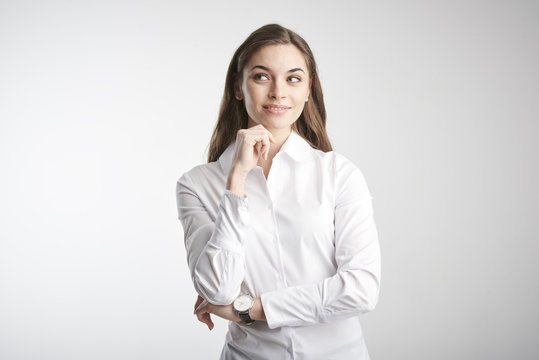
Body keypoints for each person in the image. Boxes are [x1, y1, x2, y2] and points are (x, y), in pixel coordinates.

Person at [176, 23, 381, 360]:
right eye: (261, 76)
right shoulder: (197, 185)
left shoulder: (339, 174)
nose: (278, 92)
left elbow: (361, 290)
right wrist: (237, 181)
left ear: (308, 89)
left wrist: (249, 308)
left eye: (293, 78)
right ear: (238, 87)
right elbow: (216, 290)